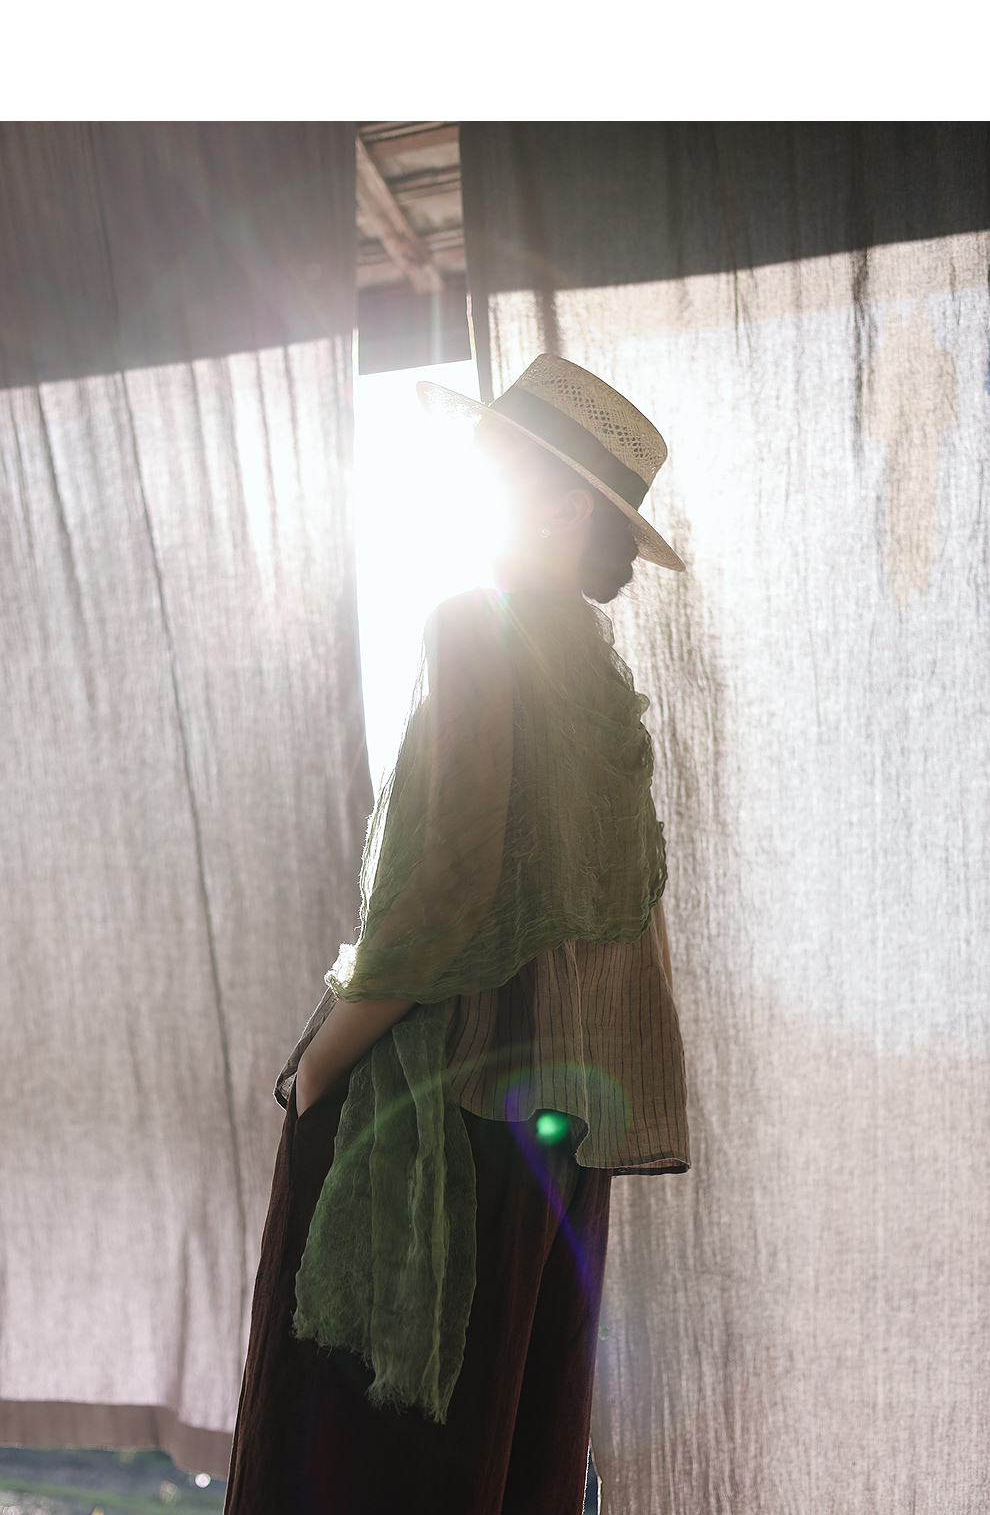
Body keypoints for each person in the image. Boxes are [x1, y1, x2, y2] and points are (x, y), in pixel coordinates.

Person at [223, 355, 691, 1515]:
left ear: (565, 506)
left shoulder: (477, 627)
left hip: (443, 1121)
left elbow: (447, 888)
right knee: (511, 1443)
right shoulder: (598, 679)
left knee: (362, 1455)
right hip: (553, 1137)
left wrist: (319, 1065)